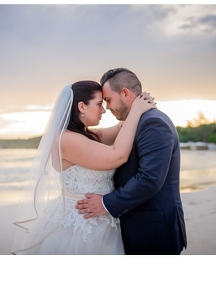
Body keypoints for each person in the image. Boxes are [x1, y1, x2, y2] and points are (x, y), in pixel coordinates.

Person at [11, 80, 156, 254]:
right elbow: (118, 155)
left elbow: (119, 129)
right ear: (81, 106)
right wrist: (137, 111)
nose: (103, 110)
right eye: (99, 104)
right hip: (77, 226)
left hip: (97, 221)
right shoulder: (66, 139)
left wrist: (133, 106)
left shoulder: (85, 135)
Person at [76, 68, 187, 255]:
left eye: (108, 100)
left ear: (125, 93)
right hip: (137, 224)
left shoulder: (152, 123)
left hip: (153, 229)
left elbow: (149, 179)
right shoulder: (135, 122)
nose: (107, 107)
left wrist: (105, 203)